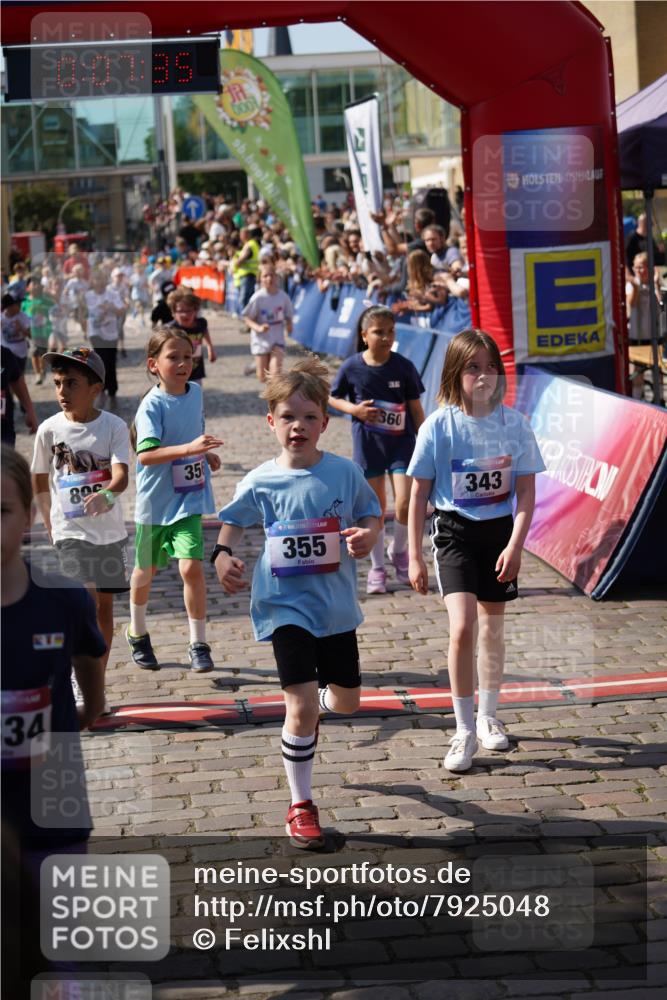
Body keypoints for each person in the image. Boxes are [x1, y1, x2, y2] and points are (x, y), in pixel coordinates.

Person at [214, 356, 381, 849]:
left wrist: (367, 539)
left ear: (325, 424)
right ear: (271, 422)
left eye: (309, 417)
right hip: (284, 605)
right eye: (288, 417)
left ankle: (322, 706)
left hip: (335, 609)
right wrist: (223, 555)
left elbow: (372, 515)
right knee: (301, 704)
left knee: (345, 703)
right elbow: (233, 520)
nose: (298, 426)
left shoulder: (345, 473)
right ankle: (301, 805)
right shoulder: (261, 480)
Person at [407, 329, 545, 773]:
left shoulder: (515, 425)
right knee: (463, 627)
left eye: (491, 367)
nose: (483, 376)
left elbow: (526, 492)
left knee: (491, 631)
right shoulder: (438, 426)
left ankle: (488, 716)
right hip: (453, 534)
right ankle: (463, 728)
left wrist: (516, 544)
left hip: (499, 535)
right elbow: (417, 495)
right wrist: (412, 555)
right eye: (473, 367)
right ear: (455, 373)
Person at [2, 445, 105, 867]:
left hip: (53, 799)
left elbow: (89, 663)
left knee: (58, 921)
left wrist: (91, 708)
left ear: (28, 517)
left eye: (1, 510)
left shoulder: (64, 599)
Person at [31, 347, 130, 712]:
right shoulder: (49, 429)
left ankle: (95, 683)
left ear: (95, 387)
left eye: (71, 383)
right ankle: (75, 680)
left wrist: (107, 493)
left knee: (104, 609)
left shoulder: (113, 427)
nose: (62, 391)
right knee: (84, 602)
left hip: (110, 534)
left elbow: (121, 474)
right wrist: (49, 522)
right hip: (69, 532)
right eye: (58, 383)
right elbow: (39, 479)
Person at [127, 328, 223, 673]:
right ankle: (137, 632)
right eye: (174, 357)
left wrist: (204, 455)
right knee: (145, 571)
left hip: (189, 498)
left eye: (188, 356)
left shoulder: (195, 392)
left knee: (191, 567)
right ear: (154, 364)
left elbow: (192, 435)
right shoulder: (151, 405)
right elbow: (146, 456)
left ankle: (198, 643)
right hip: (155, 502)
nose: (183, 363)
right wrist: (188, 450)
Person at [330, 306, 425, 594]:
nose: (386, 337)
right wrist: (354, 410)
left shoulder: (403, 366)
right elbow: (332, 398)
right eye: (379, 332)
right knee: (376, 507)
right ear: (364, 335)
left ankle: (398, 551)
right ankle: (377, 568)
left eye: (391, 331)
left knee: (406, 502)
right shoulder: (352, 366)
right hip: (368, 445)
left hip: (401, 443)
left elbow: (415, 409)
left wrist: (426, 441)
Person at [242, 263, 294, 383]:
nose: (269, 278)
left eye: (271, 275)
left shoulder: (283, 297)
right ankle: (256, 365)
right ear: (260, 279)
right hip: (261, 339)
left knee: (275, 374)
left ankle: (275, 400)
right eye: (265, 276)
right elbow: (247, 318)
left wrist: (290, 324)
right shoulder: (258, 297)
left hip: (277, 338)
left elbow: (289, 314)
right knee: (262, 377)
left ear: (276, 277)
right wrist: (258, 327)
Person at [85, 270, 125, 407]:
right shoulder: (87, 296)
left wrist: (111, 307)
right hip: (95, 332)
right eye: (97, 280)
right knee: (99, 362)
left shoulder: (112, 295)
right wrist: (84, 327)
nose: (100, 283)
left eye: (102, 280)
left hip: (111, 333)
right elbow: (82, 312)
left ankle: (112, 392)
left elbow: (121, 310)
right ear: (93, 282)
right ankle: (101, 391)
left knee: (110, 362)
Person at [166, 289, 216, 381]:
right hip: (177, 373)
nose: (185, 314)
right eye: (180, 311)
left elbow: (204, 331)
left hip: (196, 370)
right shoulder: (170, 329)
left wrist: (210, 347)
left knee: (195, 393)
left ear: (196, 310)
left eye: (189, 311)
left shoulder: (201, 323)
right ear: (173, 313)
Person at [1, 345, 38, 446]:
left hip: (4, 431)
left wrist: (30, 411)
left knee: (6, 461)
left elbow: (17, 380)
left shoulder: (5, 354)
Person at [22, 277, 54, 384]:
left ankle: (42, 369)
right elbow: (20, 315)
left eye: (37, 284)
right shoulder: (24, 302)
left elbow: (54, 307)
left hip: (44, 331)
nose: (35, 286)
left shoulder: (45, 299)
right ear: (27, 288)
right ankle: (38, 374)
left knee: (42, 353)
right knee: (34, 352)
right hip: (31, 332)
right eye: (33, 284)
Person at [1, 292, 31, 373]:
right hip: (5, 354)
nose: (20, 306)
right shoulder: (1, 317)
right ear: (9, 306)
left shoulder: (23, 316)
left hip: (21, 354)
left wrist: (21, 328)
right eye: (18, 304)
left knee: (19, 379)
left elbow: (31, 335)